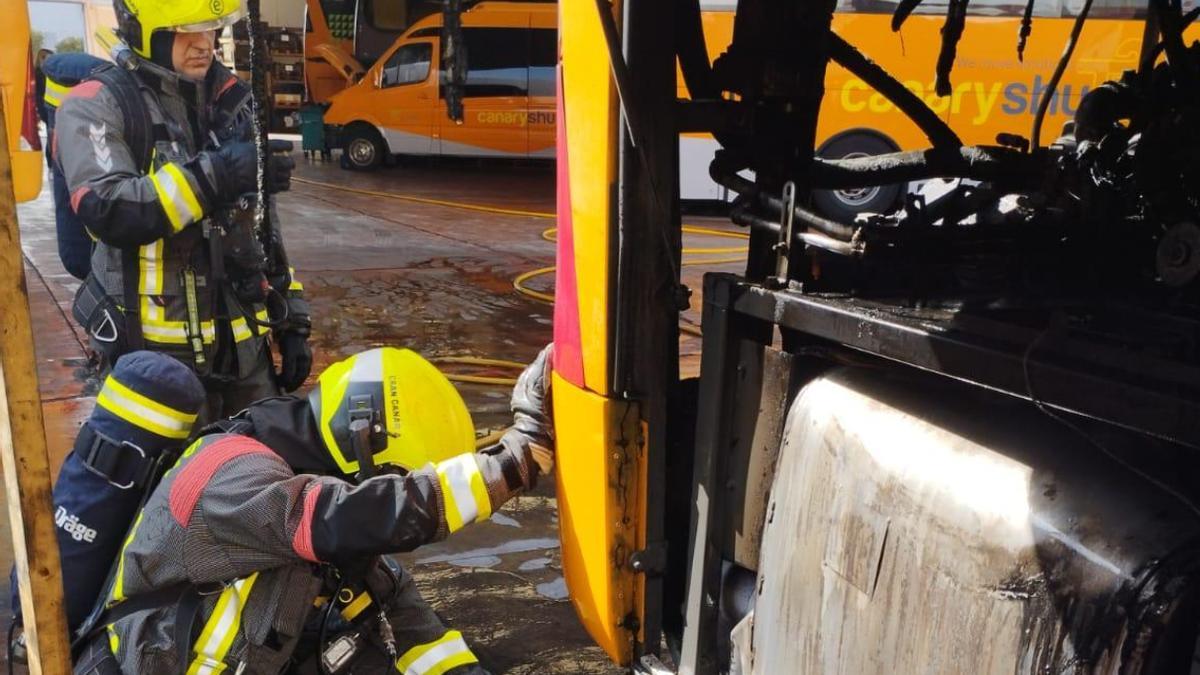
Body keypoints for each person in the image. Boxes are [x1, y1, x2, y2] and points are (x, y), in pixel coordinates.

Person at [72, 345, 556, 675]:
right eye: (397, 480)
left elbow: (410, 625)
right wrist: (511, 466)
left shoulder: (327, 504)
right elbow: (337, 518)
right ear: (364, 441)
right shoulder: (228, 475)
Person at [54, 0, 312, 422]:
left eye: (211, 29)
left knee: (263, 478)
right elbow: (109, 208)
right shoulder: (96, 105)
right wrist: (218, 176)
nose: (203, 44)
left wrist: (293, 322)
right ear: (145, 33)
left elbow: (263, 234)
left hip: (247, 362)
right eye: (185, 31)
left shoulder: (234, 104)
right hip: (154, 367)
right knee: (170, 487)